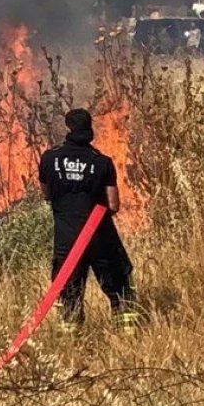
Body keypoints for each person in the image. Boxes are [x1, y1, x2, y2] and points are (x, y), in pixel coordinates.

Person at [38, 108, 137, 329]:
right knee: (119, 287)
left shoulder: (49, 158)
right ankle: (128, 333)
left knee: (70, 295)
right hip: (100, 238)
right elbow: (113, 205)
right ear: (89, 127)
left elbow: (46, 194)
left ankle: (72, 347)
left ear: (68, 127)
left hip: (67, 242)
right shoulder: (101, 162)